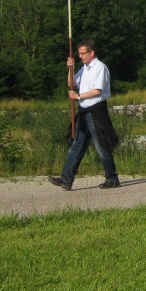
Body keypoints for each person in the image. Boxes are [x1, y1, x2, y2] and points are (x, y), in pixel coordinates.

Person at [49, 40, 120, 190]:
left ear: (91, 53)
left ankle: (112, 178)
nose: (80, 56)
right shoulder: (84, 68)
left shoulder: (100, 68)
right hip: (84, 112)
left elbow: (97, 91)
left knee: (101, 145)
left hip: (96, 111)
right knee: (77, 145)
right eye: (79, 53)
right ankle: (66, 179)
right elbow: (71, 83)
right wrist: (71, 68)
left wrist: (78, 96)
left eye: (82, 53)